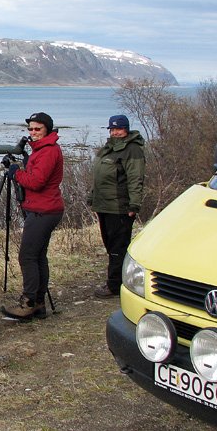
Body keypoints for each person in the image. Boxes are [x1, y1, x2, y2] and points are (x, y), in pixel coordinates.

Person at [0, 112, 65, 320]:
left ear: (47, 129)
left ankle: (28, 303)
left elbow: (37, 182)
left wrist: (15, 172)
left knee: (27, 256)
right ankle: (38, 303)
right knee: (37, 256)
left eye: (38, 129)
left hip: (43, 210)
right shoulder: (44, 149)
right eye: (30, 129)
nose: (33, 133)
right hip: (45, 208)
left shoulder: (48, 151)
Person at [89, 114, 146, 298]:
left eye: (119, 129)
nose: (115, 132)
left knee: (118, 247)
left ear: (126, 129)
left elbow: (135, 179)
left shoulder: (133, 150)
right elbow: (100, 176)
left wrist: (134, 204)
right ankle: (121, 279)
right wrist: (93, 196)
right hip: (104, 205)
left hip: (119, 207)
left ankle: (114, 285)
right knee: (110, 245)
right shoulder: (108, 148)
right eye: (112, 129)